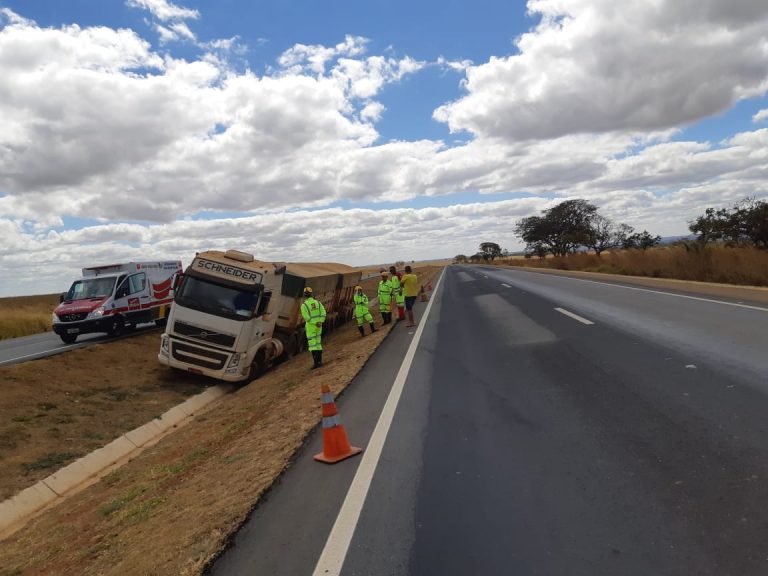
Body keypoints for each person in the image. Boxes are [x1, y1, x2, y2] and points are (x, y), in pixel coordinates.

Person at [300, 286, 326, 369]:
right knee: (318, 343)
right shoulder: (318, 303)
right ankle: (320, 361)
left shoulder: (304, 305)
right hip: (319, 326)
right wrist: (320, 321)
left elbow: (306, 317)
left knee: (312, 345)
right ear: (311, 294)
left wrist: (314, 323)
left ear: (304, 295)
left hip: (311, 327)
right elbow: (323, 312)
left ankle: (316, 364)